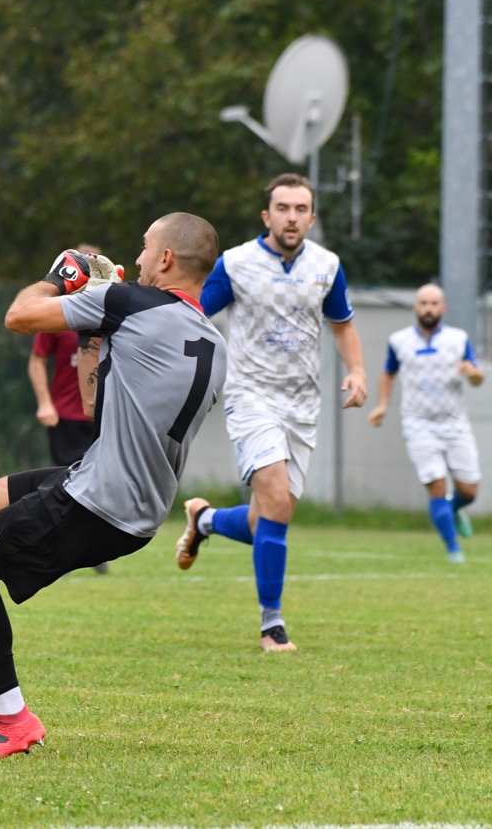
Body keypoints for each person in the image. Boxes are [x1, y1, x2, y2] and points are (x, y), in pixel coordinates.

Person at [0, 212, 226, 758]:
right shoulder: (213, 340)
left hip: (98, 498)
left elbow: (19, 316)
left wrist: (63, 275)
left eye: (145, 248)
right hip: (136, 508)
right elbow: (95, 403)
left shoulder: (132, 302)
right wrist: (95, 327)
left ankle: (9, 719)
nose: (137, 259)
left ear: (166, 258)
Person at [175, 173, 367, 652]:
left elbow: (342, 324)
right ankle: (271, 625)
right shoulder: (237, 263)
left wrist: (358, 371)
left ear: (312, 218)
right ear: (267, 215)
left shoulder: (327, 266)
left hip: (303, 404)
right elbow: (192, 312)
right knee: (277, 501)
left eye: (301, 209)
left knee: (269, 518)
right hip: (250, 396)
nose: (291, 217)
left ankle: (205, 520)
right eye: (283, 208)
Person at [368, 283, 483, 563]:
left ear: (443, 308)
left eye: (433, 304)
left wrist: (473, 374)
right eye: (423, 303)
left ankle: (454, 510)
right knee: (436, 486)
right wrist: (382, 405)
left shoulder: (458, 338)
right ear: (415, 307)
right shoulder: (399, 340)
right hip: (418, 424)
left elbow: (478, 377)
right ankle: (454, 550)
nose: (428, 309)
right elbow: (388, 373)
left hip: (455, 423)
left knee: (469, 490)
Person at [28, 243, 112, 574]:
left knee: (101, 480)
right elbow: (37, 361)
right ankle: (56, 545)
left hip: (101, 413)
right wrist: (44, 403)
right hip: (65, 414)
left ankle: (92, 547)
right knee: (64, 482)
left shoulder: (112, 311)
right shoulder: (58, 313)